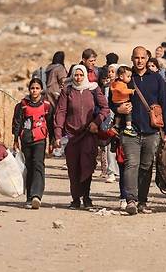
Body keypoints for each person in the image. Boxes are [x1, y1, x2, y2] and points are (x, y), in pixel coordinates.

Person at [112, 46, 166, 216]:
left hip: (151, 132)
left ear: (147, 59)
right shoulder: (126, 79)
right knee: (132, 164)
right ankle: (131, 200)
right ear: (132, 59)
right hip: (130, 131)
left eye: (142, 58)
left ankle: (142, 202)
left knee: (146, 166)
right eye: (136, 58)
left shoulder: (157, 79)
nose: (139, 61)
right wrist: (119, 109)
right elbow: (113, 99)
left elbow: (165, 106)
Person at [54, 65, 110, 210]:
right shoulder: (67, 90)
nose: (78, 78)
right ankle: (75, 199)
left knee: (87, 166)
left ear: (85, 75)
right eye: (76, 75)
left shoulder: (93, 89)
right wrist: (58, 134)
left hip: (88, 135)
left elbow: (105, 108)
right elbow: (60, 112)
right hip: (72, 136)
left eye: (80, 75)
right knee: (73, 169)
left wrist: (96, 122)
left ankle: (86, 197)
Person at [12, 78, 53, 209]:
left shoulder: (46, 105)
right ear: (29, 90)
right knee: (28, 166)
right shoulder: (22, 105)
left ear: (41, 90)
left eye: (37, 88)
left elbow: (51, 124)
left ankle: (37, 195)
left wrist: (51, 141)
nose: (34, 91)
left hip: (40, 140)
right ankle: (29, 197)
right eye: (32, 88)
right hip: (26, 140)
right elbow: (17, 122)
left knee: (38, 165)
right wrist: (15, 140)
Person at [111, 66, 135, 132]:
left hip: (117, 102)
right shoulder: (120, 84)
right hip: (122, 101)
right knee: (128, 112)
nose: (130, 78)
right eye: (128, 76)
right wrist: (131, 91)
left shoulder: (116, 83)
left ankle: (117, 125)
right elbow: (123, 91)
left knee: (119, 115)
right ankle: (129, 127)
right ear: (121, 76)